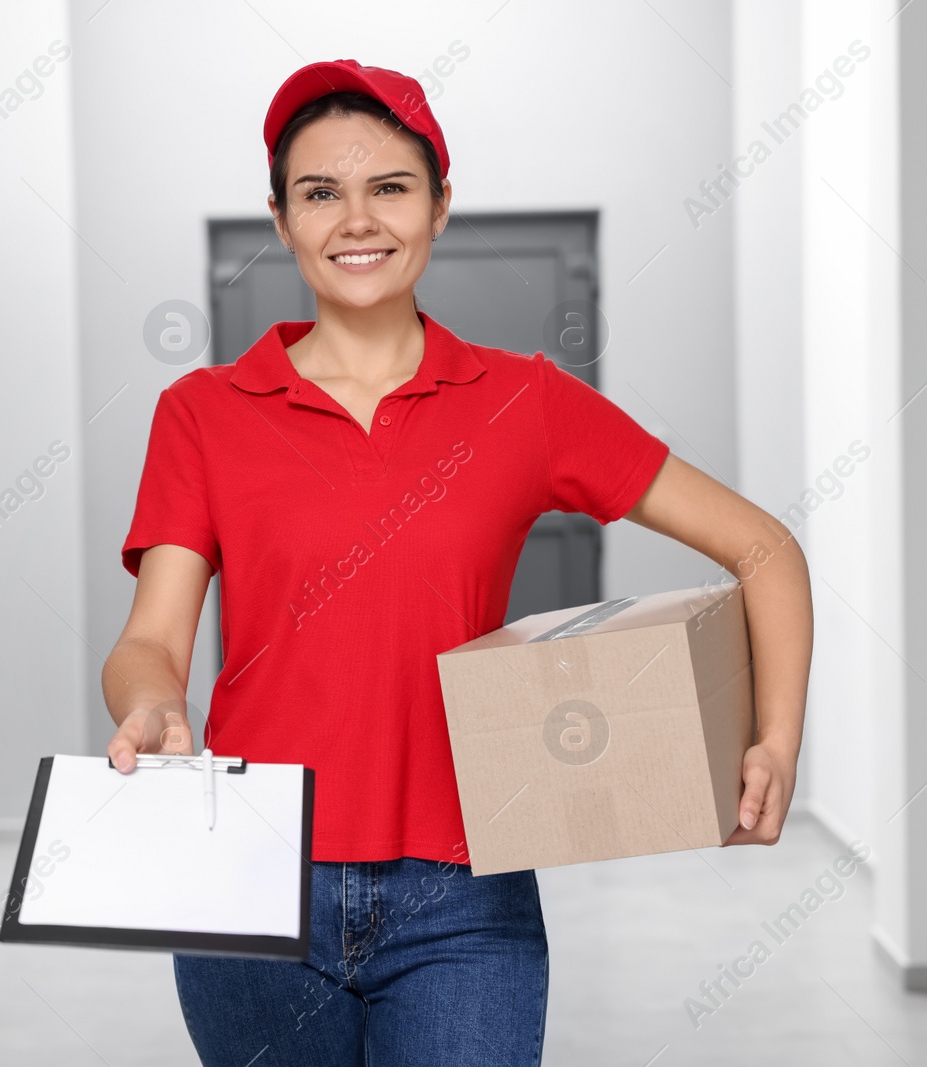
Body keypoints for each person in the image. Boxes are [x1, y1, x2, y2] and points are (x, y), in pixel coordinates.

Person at [105, 58, 814, 1067]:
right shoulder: (203, 414)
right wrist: (148, 704)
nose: (356, 219)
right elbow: (150, 639)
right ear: (280, 216)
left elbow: (764, 548)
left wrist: (774, 742)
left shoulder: (522, 402)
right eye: (320, 192)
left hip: (463, 893)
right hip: (250, 880)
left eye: (389, 187)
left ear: (441, 205)